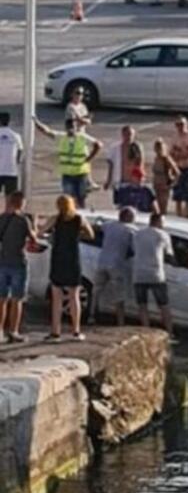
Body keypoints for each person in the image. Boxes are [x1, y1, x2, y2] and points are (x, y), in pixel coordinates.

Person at [38, 195, 94, 341]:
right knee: (74, 296)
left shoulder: (55, 219)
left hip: (58, 258)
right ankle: (76, 330)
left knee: (56, 297)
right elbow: (91, 234)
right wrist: (77, 234)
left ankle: (55, 331)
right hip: (73, 258)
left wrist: (51, 235)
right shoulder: (79, 219)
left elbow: (40, 232)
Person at [34, 117, 102, 208]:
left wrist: (89, 158)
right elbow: (47, 131)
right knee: (69, 200)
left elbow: (98, 145)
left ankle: (80, 216)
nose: (71, 129)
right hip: (67, 175)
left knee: (81, 198)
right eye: (69, 126)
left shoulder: (82, 137)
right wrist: (36, 122)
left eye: (73, 126)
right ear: (66, 127)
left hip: (81, 174)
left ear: (76, 127)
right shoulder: (62, 137)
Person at [0, 192, 38, 343]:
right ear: (20, 203)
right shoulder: (23, 220)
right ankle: (13, 331)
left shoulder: (2, 219)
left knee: (1, 298)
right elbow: (33, 239)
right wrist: (34, 224)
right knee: (17, 299)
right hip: (18, 262)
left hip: (2, 261)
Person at [132, 212, 174, 336]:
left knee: (142, 305)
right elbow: (169, 255)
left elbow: (134, 250)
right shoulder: (162, 235)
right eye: (163, 222)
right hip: (156, 274)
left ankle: (146, 332)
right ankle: (169, 332)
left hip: (139, 274)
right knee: (164, 305)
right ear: (158, 221)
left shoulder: (138, 234)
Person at [93, 207, 136, 326]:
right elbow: (134, 249)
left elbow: (98, 226)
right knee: (119, 294)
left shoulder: (109, 225)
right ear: (129, 218)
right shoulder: (131, 230)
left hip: (102, 262)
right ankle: (120, 321)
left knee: (96, 291)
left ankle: (91, 316)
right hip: (117, 264)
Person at [104, 126, 144, 203]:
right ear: (122, 135)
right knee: (119, 204)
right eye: (127, 134)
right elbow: (111, 166)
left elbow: (140, 165)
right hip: (119, 181)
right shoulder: (115, 148)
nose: (129, 137)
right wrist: (108, 181)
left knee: (132, 204)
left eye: (131, 134)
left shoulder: (137, 147)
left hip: (133, 182)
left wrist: (140, 179)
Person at [169, 115, 188, 215]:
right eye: (178, 124)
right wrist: (182, 153)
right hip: (178, 169)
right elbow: (171, 152)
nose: (180, 127)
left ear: (186, 124)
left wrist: (180, 154)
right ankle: (178, 214)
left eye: (182, 124)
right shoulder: (174, 137)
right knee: (178, 194)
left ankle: (187, 214)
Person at [151, 138, 179, 216]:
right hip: (156, 184)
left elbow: (177, 173)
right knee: (157, 206)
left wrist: (172, 184)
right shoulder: (156, 159)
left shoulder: (166, 159)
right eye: (156, 148)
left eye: (159, 148)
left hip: (164, 185)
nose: (158, 150)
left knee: (163, 206)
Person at [0, 112, 23, 195]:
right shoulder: (16, 136)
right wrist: (16, 162)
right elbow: (20, 151)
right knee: (10, 199)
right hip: (11, 171)